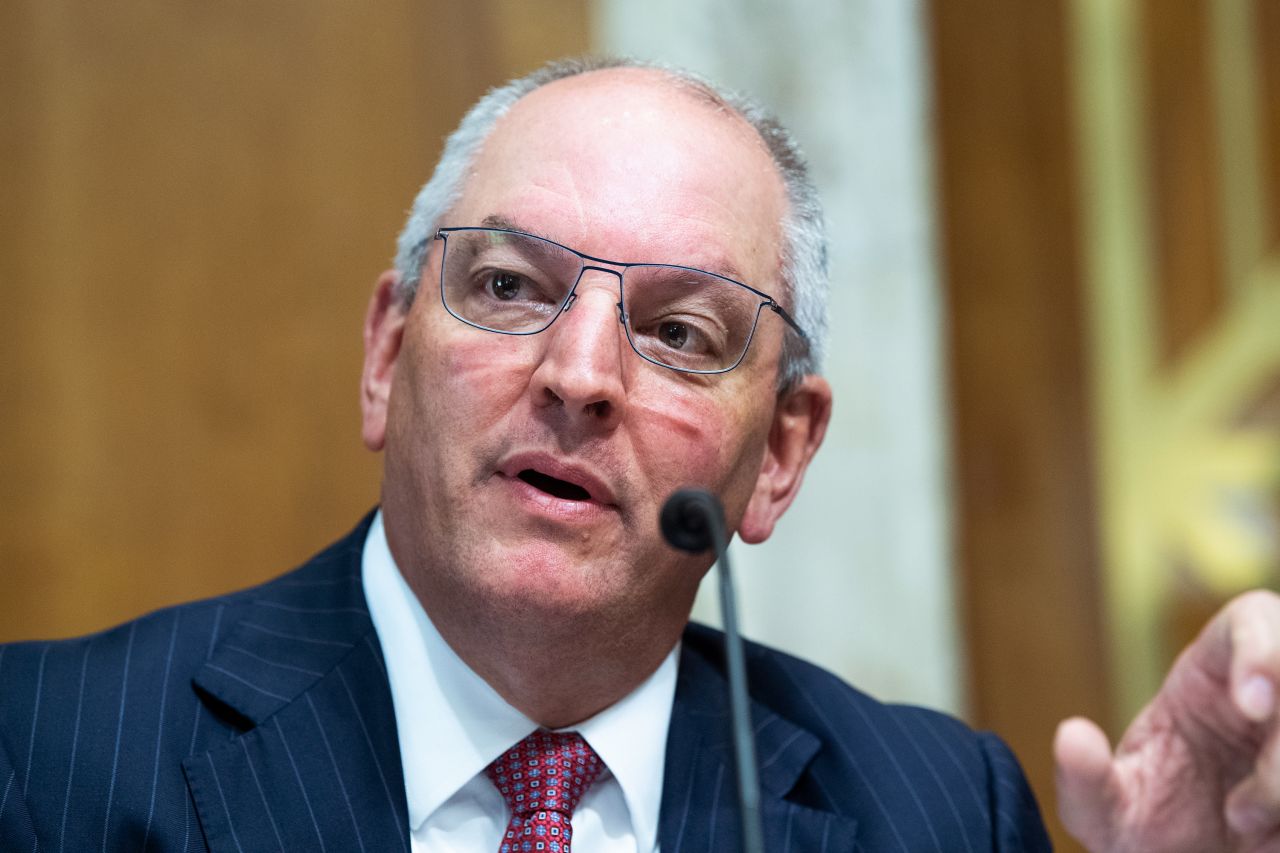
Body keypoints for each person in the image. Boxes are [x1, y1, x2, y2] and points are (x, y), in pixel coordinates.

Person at [0, 55, 1277, 852]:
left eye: (676, 331)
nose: (578, 376)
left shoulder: (933, 812)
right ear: (387, 354)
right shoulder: (46, 756)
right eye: (508, 286)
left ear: (779, 454)